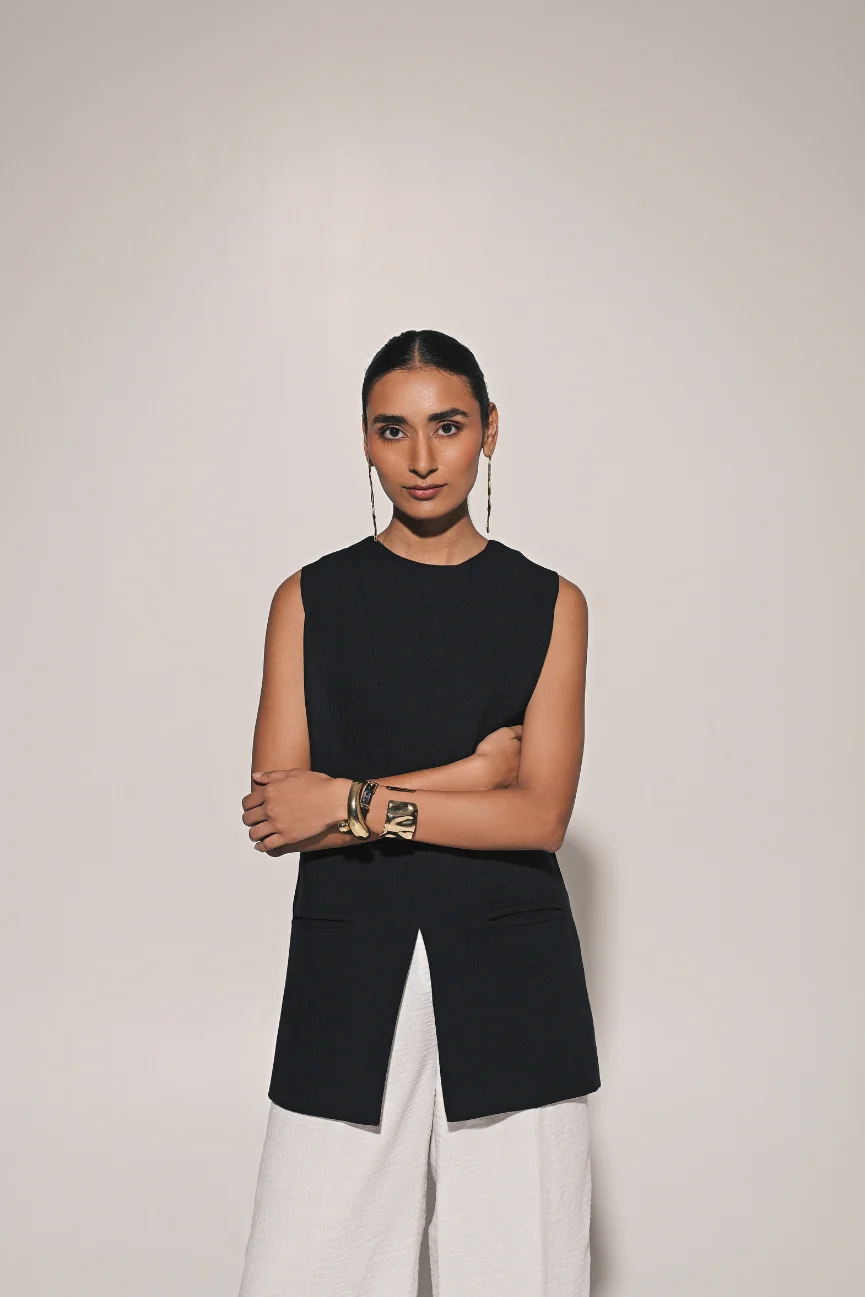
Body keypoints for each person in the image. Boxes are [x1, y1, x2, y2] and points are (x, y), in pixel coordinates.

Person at [237, 330, 601, 1296]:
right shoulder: (308, 597)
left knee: (522, 1269)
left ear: (489, 430)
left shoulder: (550, 603)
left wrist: (349, 800)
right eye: (391, 430)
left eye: (447, 425)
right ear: (364, 439)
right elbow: (279, 812)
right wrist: (470, 775)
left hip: (510, 967)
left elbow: (538, 819)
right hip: (350, 959)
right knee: (308, 1268)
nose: (422, 456)